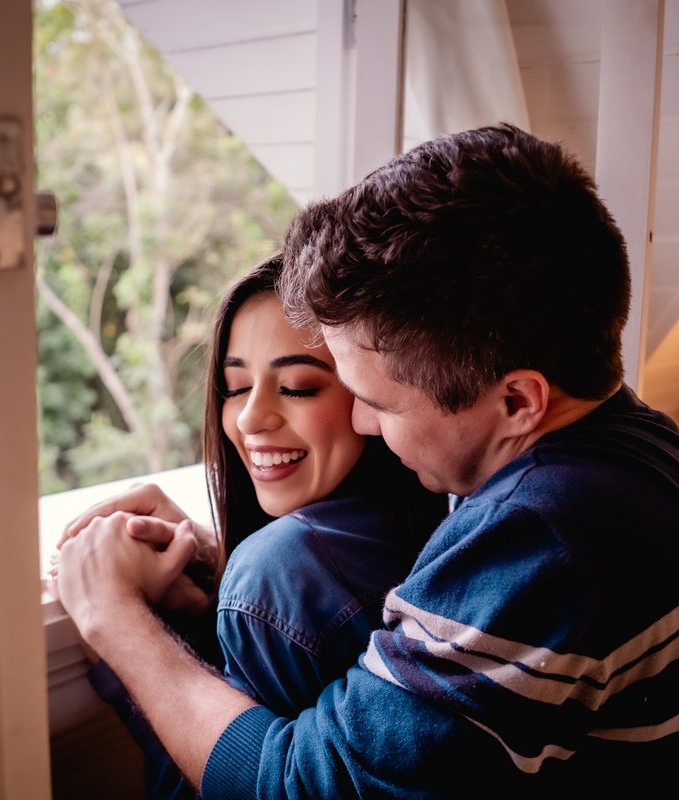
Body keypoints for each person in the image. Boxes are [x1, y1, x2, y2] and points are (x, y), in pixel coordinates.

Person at [55, 124, 679, 798]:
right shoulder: (646, 446)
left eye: (380, 401)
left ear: (516, 402)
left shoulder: (545, 537)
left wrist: (115, 619)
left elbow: (296, 788)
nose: (365, 424)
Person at [63, 255, 447, 798]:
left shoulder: (278, 569)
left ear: (372, 396)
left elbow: (232, 785)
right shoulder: (431, 524)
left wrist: (112, 614)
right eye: (236, 386)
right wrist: (209, 596)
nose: (249, 418)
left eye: (296, 386)